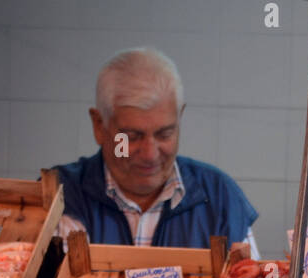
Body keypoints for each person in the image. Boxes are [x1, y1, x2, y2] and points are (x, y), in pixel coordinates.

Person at [55, 48, 259, 255]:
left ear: (180, 119)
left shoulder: (220, 198)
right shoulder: (62, 197)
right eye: (132, 137)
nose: (150, 154)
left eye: (164, 134)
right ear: (99, 125)